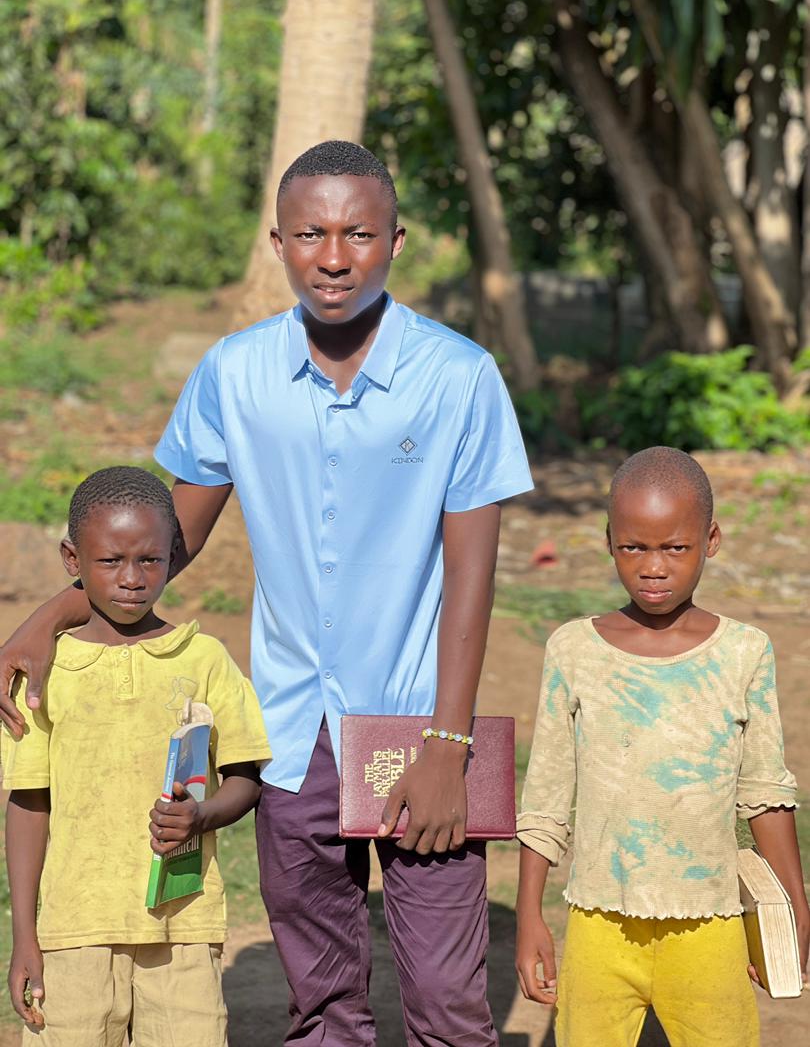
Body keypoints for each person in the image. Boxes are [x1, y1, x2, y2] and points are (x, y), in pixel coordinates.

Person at [0, 142, 534, 1046]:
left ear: (396, 240)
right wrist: (49, 615)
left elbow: (471, 582)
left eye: (359, 233)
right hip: (291, 731)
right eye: (311, 233)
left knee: (447, 1000)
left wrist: (447, 744)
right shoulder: (235, 372)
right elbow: (168, 539)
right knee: (323, 1003)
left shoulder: (459, 377)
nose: (334, 255)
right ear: (277, 243)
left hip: (417, 724)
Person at [514, 446, 809, 1047]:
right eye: (634, 547)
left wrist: (795, 907)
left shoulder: (743, 653)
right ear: (609, 541)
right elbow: (545, 796)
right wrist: (527, 914)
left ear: (711, 541)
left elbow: (765, 793)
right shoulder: (574, 651)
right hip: (598, 924)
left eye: (675, 548)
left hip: (711, 924)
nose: (654, 566)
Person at [2, 466, 270, 1046]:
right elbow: (28, 804)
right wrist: (26, 935)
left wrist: (203, 815)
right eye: (110, 561)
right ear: (73, 560)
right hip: (72, 932)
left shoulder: (204, 659)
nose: (131, 578)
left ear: (173, 557)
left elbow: (245, 779)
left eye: (149, 560)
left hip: (183, 925)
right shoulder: (46, 674)